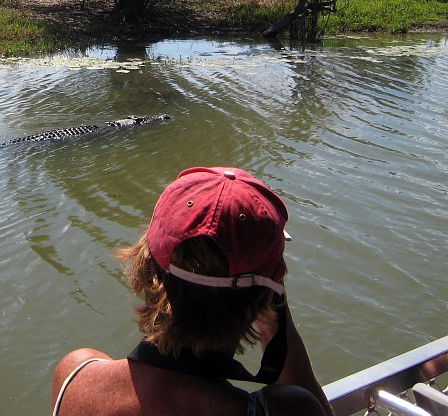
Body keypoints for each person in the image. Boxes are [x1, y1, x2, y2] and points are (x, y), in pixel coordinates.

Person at [51, 167, 334, 416]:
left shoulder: (75, 377)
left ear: (144, 267)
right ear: (269, 292)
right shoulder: (288, 408)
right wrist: (273, 307)